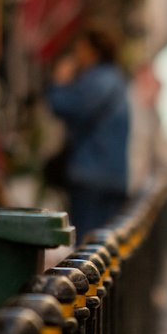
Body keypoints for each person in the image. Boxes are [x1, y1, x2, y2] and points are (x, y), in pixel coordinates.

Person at [45, 27, 130, 240]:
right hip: (111, 176)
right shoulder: (115, 79)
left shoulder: (99, 80)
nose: (76, 56)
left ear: (92, 50)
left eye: (80, 49)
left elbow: (67, 106)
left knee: (87, 245)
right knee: (102, 249)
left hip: (92, 176)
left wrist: (59, 81)